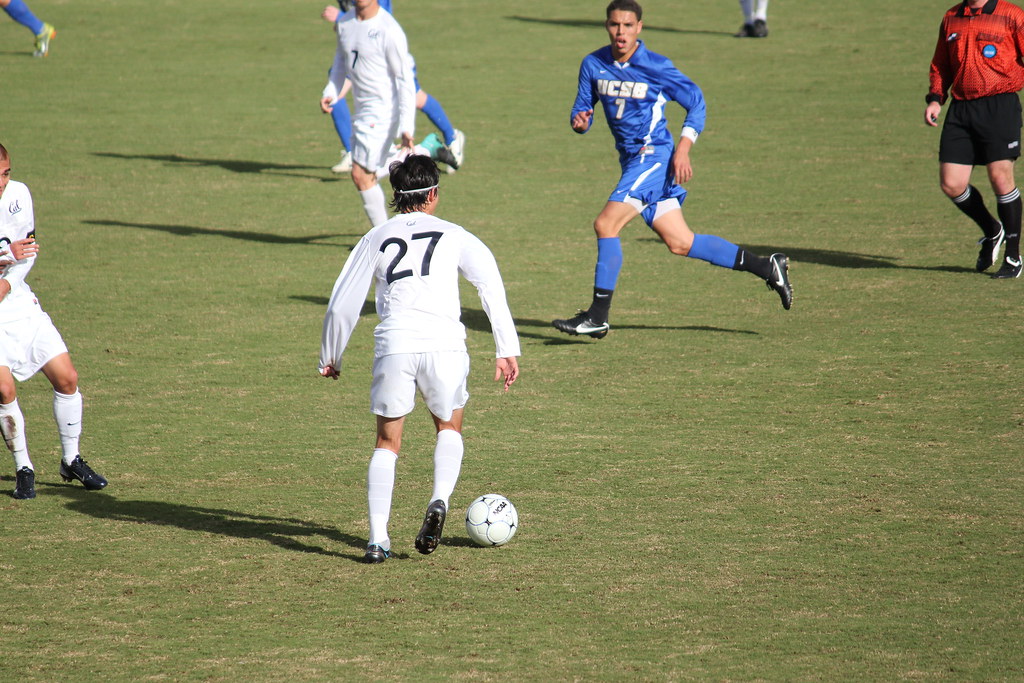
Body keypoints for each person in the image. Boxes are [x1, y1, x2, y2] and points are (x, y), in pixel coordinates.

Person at [319, 154, 520, 563]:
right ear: (432, 194)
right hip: (445, 345)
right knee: (448, 426)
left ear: (396, 196)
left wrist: (331, 354)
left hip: (395, 345)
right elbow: (490, 284)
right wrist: (506, 347)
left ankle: (377, 540)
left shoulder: (375, 238)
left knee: (387, 442)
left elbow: (343, 302)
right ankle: (439, 499)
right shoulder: (455, 234)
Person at [552, 0, 792, 340]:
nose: (620, 32)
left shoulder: (655, 66)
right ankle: (768, 267)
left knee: (606, 224)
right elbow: (582, 107)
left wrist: (683, 148)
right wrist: (580, 121)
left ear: (639, 28)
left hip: (654, 157)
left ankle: (598, 316)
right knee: (680, 242)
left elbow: (695, 100)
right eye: (614, 25)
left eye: (627, 26)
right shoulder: (593, 64)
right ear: (607, 26)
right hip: (632, 160)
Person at [0, 143, 107, 500]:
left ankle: (71, 459)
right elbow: (11, 251)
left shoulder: (19, 194)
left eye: (6, 172)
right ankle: (23, 468)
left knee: (67, 377)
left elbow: (26, 251)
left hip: (16, 300)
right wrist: (4, 254)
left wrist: (7, 281)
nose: (3, 181)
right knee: (4, 389)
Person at [925, 0, 1024, 279]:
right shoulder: (952, 17)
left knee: (1000, 178)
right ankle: (993, 230)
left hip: (999, 106)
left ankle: (1014, 257)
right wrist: (935, 99)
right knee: (951, 183)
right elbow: (941, 63)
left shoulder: (1011, 15)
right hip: (961, 108)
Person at [321, 2, 465, 175]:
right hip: (359, 55)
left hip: (384, 60)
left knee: (416, 98)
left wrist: (340, 18)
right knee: (334, 93)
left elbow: (381, 17)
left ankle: (450, 138)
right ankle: (352, 152)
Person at [320, 0, 418, 227]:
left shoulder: (388, 29)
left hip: (383, 111)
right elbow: (340, 63)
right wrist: (331, 92)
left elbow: (405, 81)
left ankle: (381, 235)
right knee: (367, 173)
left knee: (360, 174)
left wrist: (406, 127)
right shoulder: (345, 23)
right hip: (362, 111)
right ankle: (423, 151)